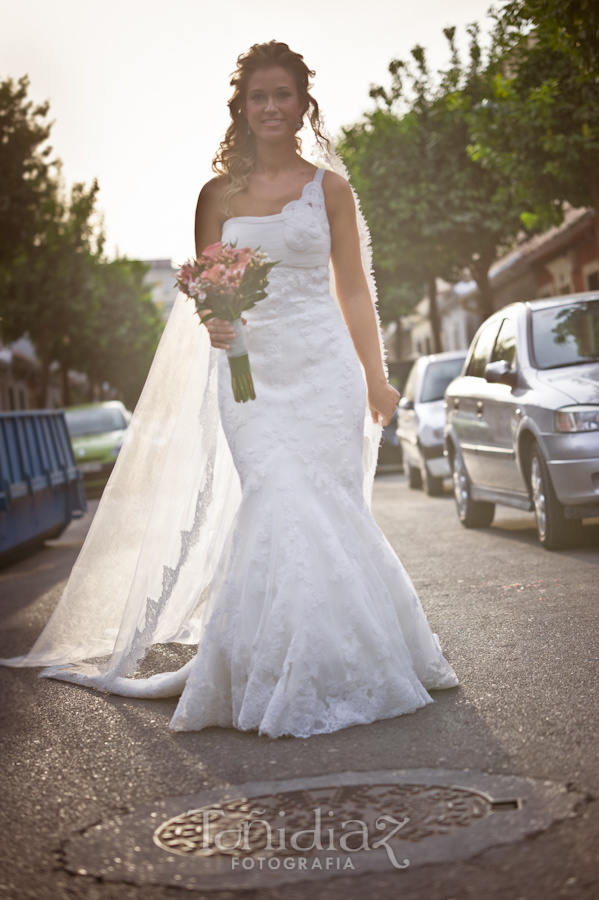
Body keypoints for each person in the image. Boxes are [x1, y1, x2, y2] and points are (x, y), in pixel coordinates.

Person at [0, 41, 459, 738]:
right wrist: (217, 319)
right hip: (249, 374)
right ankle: (279, 666)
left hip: (323, 368)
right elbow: (208, 287)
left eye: (282, 94)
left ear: (304, 102)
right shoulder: (215, 195)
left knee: (326, 505)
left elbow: (353, 290)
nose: (271, 107)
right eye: (258, 96)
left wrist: (375, 376)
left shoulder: (330, 189)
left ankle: (336, 660)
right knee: (276, 495)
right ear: (241, 108)